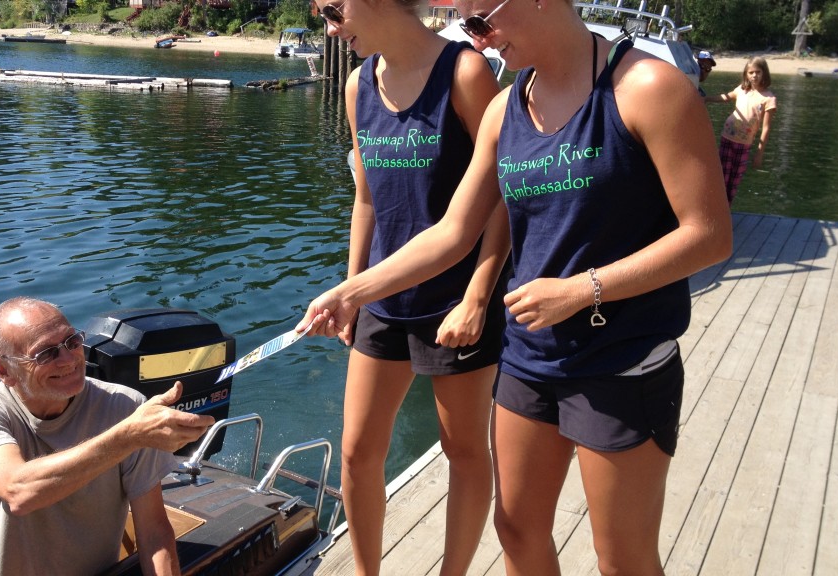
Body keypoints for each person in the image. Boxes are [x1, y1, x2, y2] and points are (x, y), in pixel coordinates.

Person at [300, 1, 733, 575]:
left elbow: (708, 236)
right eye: (469, 28)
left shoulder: (650, 87)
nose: (477, 43)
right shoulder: (506, 109)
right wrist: (351, 291)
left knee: (621, 557)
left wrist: (584, 290)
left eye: (482, 23)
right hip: (530, 355)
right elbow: (454, 231)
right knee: (516, 529)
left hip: (621, 357)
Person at [315, 1, 508, 574]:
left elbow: (503, 190)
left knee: (465, 451)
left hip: (454, 299)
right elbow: (367, 198)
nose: (329, 27)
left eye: (332, 9)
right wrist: (353, 291)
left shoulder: (466, 72)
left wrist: (478, 295)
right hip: (382, 295)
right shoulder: (357, 85)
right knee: (356, 452)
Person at [0, 297, 215, 576]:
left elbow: (154, 533)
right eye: (46, 354)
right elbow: (18, 491)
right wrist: (128, 437)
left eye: (72, 342)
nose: (69, 360)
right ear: (3, 370)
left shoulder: (125, 408)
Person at [707, 57, 777, 204]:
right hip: (727, 138)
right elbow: (726, 97)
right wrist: (706, 99)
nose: (754, 75)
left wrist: (759, 153)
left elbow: (766, 128)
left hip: (744, 144)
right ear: (746, 74)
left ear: (765, 73)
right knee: (721, 178)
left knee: (734, 181)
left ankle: (726, 209)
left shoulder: (769, 98)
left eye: (758, 72)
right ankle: (717, 207)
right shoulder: (742, 89)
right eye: (750, 72)